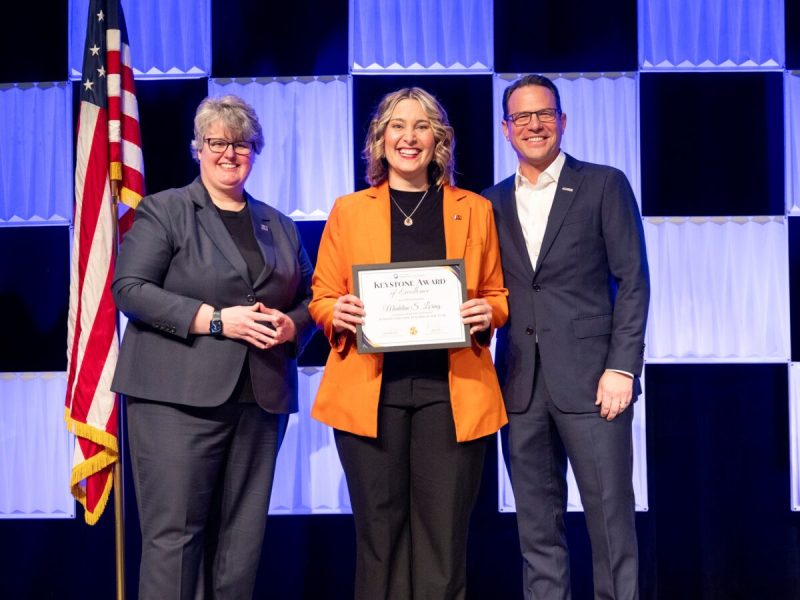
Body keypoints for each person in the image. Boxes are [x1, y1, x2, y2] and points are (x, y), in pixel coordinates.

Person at [111, 94, 314, 599]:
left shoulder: (279, 224)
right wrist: (216, 321)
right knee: (175, 540)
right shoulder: (165, 209)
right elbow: (129, 290)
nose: (229, 153)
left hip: (260, 400)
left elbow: (313, 299)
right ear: (196, 148)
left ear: (255, 150)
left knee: (240, 544)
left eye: (241, 143)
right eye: (217, 142)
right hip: (175, 400)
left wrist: (292, 327)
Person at [309, 87, 508, 599]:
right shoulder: (349, 210)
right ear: (380, 139)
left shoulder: (475, 209)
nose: (409, 137)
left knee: (444, 542)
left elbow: (496, 294)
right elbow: (322, 296)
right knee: (380, 540)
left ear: (438, 139)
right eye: (397, 126)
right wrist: (339, 312)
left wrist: (490, 311)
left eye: (421, 126)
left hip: (452, 392)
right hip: (370, 394)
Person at [482, 74, 650, 600]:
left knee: (610, 525)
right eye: (522, 117)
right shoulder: (489, 203)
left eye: (544, 114)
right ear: (506, 129)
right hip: (519, 387)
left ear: (562, 121)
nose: (535, 125)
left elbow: (633, 281)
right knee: (536, 533)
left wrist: (622, 367)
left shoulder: (604, 183)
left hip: (595, 383)